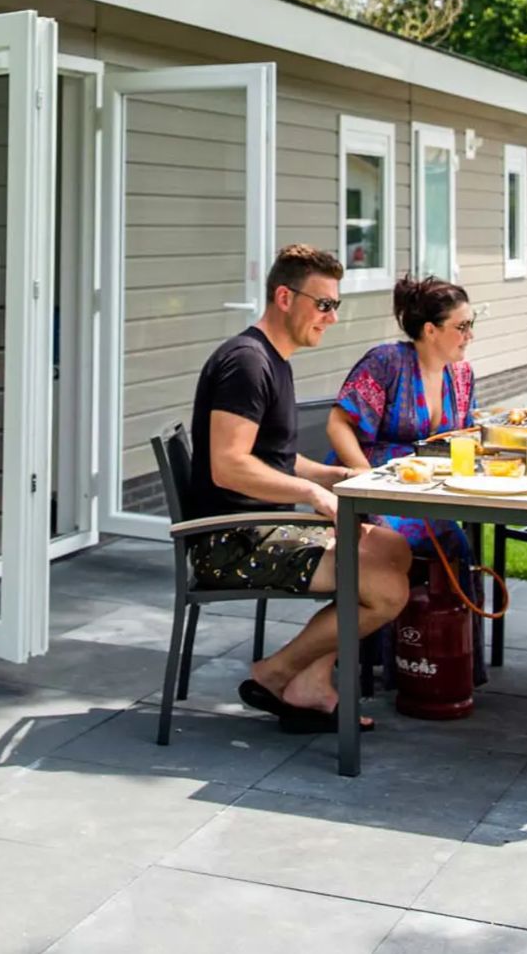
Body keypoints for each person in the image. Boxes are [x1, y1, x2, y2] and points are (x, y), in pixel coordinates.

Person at [186, 244, 413, 732]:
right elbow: (228, 466)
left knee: (395, 547)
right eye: (324, 304)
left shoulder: (274, 360)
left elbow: (275, 458)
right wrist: (312, 495)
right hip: (231, 542)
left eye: (336, 305)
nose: (332, 317)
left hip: (263, 526)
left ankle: (310, 681)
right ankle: (277, 673)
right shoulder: (247, 364)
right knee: (387, 590)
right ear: (285, 297)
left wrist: (333, 477)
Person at [326, 276, 477, 561]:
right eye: (462, 327)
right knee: (405, 544)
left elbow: (466, 436)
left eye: (472, 324)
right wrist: (365, 477)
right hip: (376, 490)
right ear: (430, 330)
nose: (470, 335)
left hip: (428, 492)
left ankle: (452, 594)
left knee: (456, 548)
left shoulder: (461, 375)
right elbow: (338, 423)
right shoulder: (386, 362)